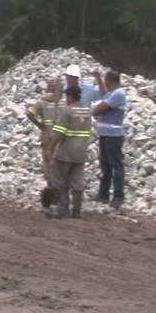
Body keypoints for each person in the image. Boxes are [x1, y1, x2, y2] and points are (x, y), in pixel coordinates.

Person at [47, 84, 94, 218]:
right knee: (77, 181)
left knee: (60, 181)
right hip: (81, 152)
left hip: (66, 152)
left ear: (70, 96)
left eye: (67, 96)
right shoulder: (87, 111)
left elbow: (60, 133)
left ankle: (62, 209)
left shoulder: (67, 111)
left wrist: (51, 147)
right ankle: (77, 210)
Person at [91, 70, 129, 208]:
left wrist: (93, 111)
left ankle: (118, 196)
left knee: (116, 166)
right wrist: (99, 78)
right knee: (105, 166)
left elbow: (100, 108)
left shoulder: (118, 94)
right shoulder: (112, 93)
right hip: (105, 134)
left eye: (106, 81)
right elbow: (103, 95)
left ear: (110, 81)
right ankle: (103, 194)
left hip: (113, 135)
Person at [25, 78, 61, 211]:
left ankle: (53, 196)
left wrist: (41, 126)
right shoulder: (63, 103)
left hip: (48, 138)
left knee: (49, 169)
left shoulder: (42, 103)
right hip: (60, 140)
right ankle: (58, 197)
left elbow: (29, 113)